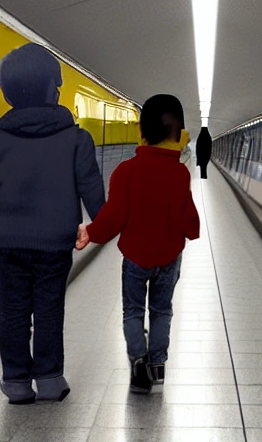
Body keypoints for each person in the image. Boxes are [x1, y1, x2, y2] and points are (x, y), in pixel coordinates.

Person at [0, 43, 104, 404]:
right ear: (51, 89)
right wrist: (98, 227)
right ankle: (50, 379)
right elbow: (91, 188)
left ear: (8, 94)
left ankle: (17, 383)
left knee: (12, 313)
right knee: (50, 310)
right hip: (55, 244)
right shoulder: (77, 139)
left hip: (8, 246)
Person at [76, 93, 200, 394]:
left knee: (132, 311)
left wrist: (91, 232)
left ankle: (138, 363)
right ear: (179, 135)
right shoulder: (180, 173)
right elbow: (190, 223)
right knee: (162, 311)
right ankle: (158, 367)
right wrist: (188, 227)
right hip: (169, 258)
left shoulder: (126, 172)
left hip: (134, 257)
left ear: (140, 132)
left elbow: (114, 216)